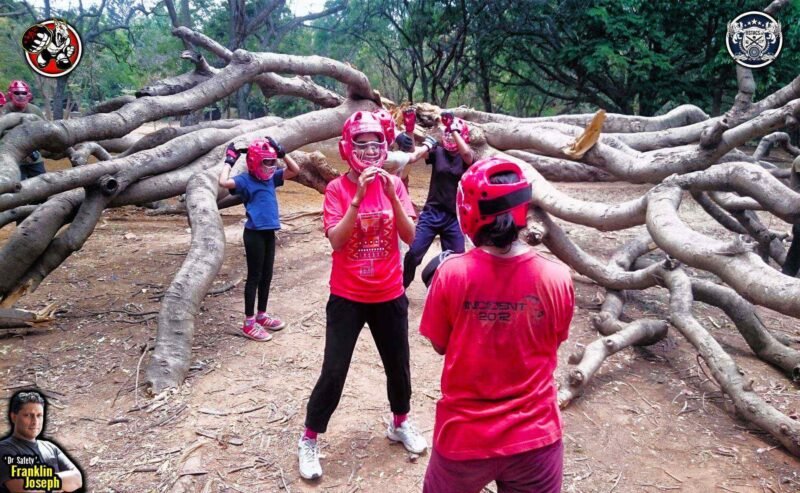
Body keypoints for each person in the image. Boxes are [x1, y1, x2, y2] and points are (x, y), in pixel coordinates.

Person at [419, 157, 575, 493]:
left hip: (464, 438)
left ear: (468, 210)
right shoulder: (558, 277)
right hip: (535, 438)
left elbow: (440, 344)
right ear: (523, 210)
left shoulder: (452, 274)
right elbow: (553, 340)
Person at [297, 111, 426, 480]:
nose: (370, 152)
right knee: (334, 370)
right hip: (348, 295)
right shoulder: (337, 189)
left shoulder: (395, 185)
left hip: (388, 292)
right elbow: (337, 241)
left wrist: (391, 195)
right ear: (348, 149)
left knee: (398, 365)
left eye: (376, 145)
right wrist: (357, 200)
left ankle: (399, 422)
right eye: (362, 145)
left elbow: (410, 237)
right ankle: (309, 438)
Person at [218, 136, 299, 341]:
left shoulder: (271, 179)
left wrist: (282, 153)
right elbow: (223, 182)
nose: (271, 167)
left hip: (269, 232)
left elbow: (295, 170)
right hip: (253, 233)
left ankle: (262, 315)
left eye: (273, 162)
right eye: (267, 162)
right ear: (255, 162)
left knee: (267, 275)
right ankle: (248, 323)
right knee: (254, 277)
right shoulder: (245, 180)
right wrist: (229, 160)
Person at [402, 111, 474, 288]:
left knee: (456, 260)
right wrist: (410, 130)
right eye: (447, 133)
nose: (449, 136)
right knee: (413, 253)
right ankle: (400, 287)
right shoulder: (438, 152)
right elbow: (413, 154)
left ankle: (450, 294)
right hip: (432, 213)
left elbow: (467, 155)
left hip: (454, 218)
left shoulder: (466, 157)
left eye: (453, 133)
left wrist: (454, 128)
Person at [0, 391, 83, 493]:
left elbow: (77, 479)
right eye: (28, 415)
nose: (35, 421)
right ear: (13, 417)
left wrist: (37, 483)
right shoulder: (4, 450)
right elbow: (24, 490)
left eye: (39, 415)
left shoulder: (51, 448)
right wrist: (61, 485)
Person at [3, 81, 46, 180]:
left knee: (42, 184)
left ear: (28, 95)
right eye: (17, 93)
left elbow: (45, 130)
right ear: (10, 95)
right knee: (17, 190)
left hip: (34, 158)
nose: (21, 96)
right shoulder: (3, 111)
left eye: (24, 93)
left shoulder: (35, 110)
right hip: (12, 160)